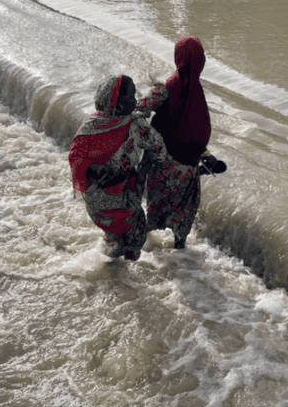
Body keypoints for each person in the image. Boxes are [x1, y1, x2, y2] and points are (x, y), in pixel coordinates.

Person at [136, 36, 226, 249]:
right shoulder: (196, 91)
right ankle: (180, 253)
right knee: (184, 209)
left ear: (179, 58)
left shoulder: (167, 88)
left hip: (164, 161)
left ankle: (140, 247)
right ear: (200, 62)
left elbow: (141, 108)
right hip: (189, 165)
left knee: (157, 205)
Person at [69, 74, 166, 261]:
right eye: (130, 97)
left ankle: (111, 260)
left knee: (114, 234)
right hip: (124, 195)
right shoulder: (136, 125)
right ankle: (126, 275)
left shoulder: (90, 127)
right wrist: (146, 168)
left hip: (96, 202)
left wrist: (96, 172)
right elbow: (158, 146)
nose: (134, 100)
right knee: (134, 233)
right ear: (118, 104)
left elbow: (75, 157)